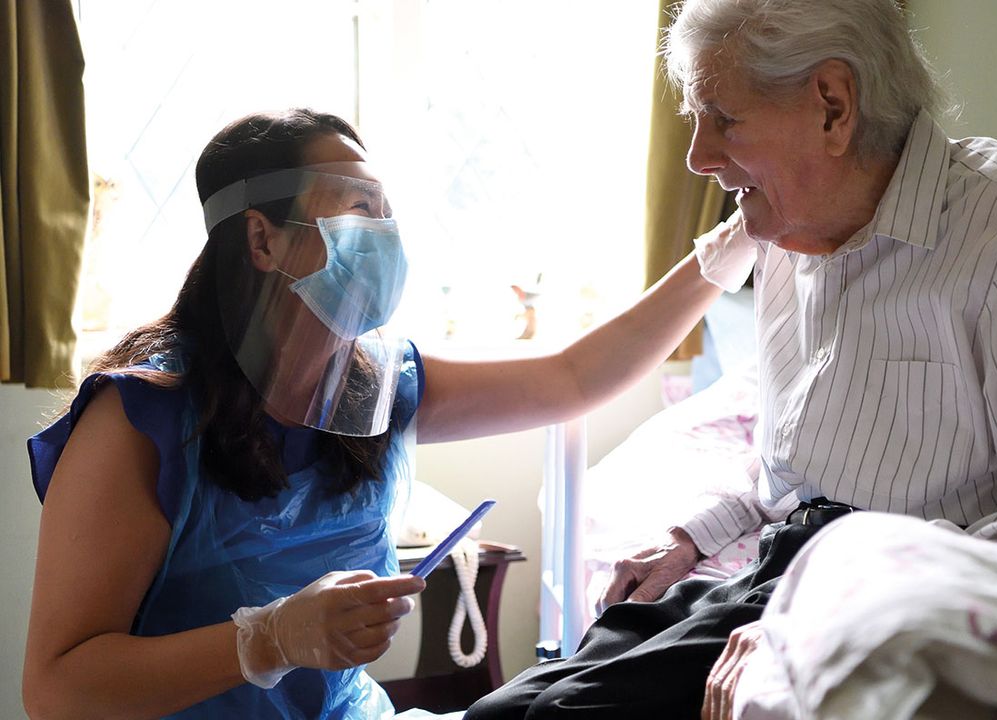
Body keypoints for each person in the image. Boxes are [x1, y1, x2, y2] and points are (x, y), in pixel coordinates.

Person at [464, 1, 997, 718]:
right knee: (502, 709)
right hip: (789, 569)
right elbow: (794, 481)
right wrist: (688, 541)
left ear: (832, 104)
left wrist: (824, 624)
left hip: (897, 595)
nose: (698, 157)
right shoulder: (788, 235)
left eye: (723, 119)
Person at [22, 109, 735, 719]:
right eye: (359, 207)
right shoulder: (140, 419)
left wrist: (729, 248)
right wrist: (265, 640)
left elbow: (573, 378)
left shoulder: (379, 384)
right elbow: (56, 687)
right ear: (262, 239)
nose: (385, 232)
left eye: (387, 211)